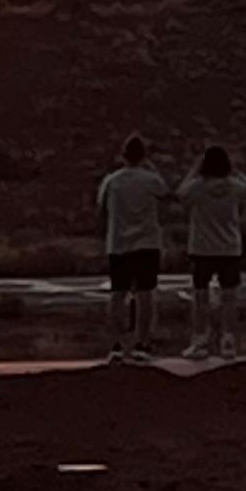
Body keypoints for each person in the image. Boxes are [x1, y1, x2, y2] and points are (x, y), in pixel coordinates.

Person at [94, 134, 171, 363]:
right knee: (145, 294)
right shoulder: (150, 180)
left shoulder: (112, 181)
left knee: (118, 294)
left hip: (118, 244)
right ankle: (143, 343)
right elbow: (166, 193)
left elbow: (101, 209)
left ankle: (116, 344)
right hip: (146, 243)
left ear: (122, 156)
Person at [175, 145, 246, 361]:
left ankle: (200, 340)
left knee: (200, 296)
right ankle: (228, 340)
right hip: (229, 247)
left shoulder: (198, 188)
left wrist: (193, 170)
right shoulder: (234, 187)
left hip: (202, 248)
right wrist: (236, 171)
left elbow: (180, 193)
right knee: (229, 297)